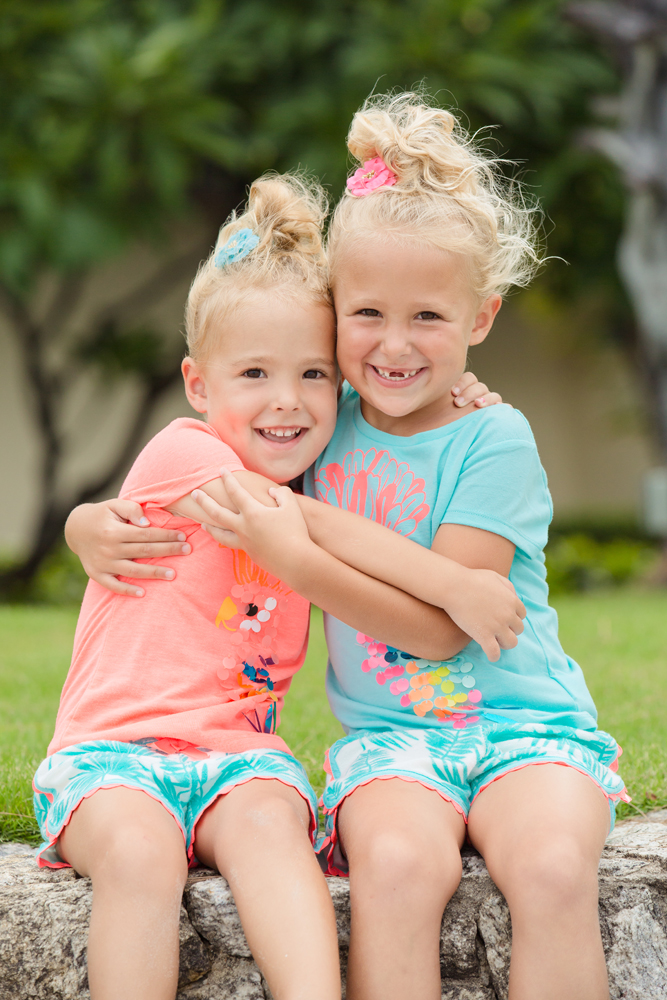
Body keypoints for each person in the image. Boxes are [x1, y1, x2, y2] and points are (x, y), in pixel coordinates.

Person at [185, 93, 629, 1000]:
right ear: (331, 311)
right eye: (366, 315)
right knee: (393, 866)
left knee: (548, 868)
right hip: (393, 741)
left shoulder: (492, 440)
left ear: (480, 320)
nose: (393, 345)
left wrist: (299, 551)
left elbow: (444, 628)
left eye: (428, 318)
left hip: (525, 729)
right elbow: (199, 436)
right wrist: (87, 523)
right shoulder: (313, 418)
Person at [41, 170, 525, 1000]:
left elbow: (361, 467)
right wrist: (455, 585)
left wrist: (458, 396)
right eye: (254, 375)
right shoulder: (185, 452)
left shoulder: (317, 473)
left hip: (240, 760)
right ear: (199, 385)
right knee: (141, 856)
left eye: (311, 376)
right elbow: (320, 535)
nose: (286, 401)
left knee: (274, 830)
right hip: (113, 756)